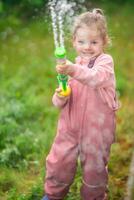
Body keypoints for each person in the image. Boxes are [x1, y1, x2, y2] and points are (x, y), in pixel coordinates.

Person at [42, 8, 119, 200]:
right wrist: (61, 95)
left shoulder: (105, 63)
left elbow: (95, 78)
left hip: (97, 131)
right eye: (81, 41)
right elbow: (58, 101)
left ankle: (93, 197)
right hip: (69, 128)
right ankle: (52, 195)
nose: (87, 47)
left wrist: (72, 70)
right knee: (58, 163)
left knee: (95, 171)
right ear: (73, 41)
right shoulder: (72, 67)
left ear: (104, 41)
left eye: (94, 42)